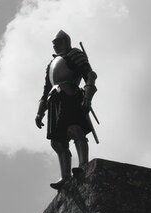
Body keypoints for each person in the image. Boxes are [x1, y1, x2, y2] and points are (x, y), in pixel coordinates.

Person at [35, 30, 97, 190]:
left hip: (70, 94)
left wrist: (88, 97)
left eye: (57, 42)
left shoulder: (74, 53)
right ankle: (65, 177)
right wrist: (40, 112)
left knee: (74, 129)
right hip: (54, 99)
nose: (54, 45)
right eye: (53, 43)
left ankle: (83, 165)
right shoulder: (51, 64)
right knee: (57, 141)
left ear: (65, 41)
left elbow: (90, 75)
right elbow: (45, 90)